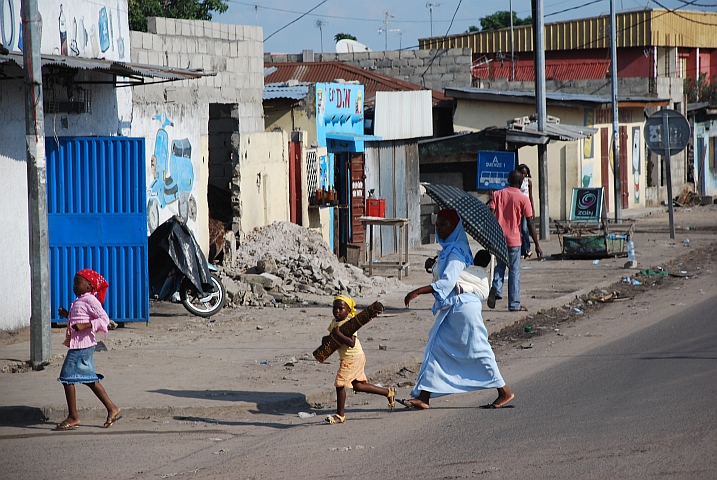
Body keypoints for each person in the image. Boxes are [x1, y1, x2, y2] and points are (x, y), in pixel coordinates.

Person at [402, 209, 514, 410]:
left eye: (444, 225)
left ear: (454, 227)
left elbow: (448, 282)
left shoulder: (455, 251)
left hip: (462, 307)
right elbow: (453, 273)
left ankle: (504, 391)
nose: (439, 228)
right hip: (456, 307)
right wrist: (433, 265)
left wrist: (418, 291)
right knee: (437, 349)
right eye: (437, 224)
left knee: (477, 349)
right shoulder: (453, 248)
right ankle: (424, 397)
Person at [55, 269, 122, 430]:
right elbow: (79, 318)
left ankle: (73, 416)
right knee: (89, 378)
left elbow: (104, 320)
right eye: (74, 283)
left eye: (77, 283)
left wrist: (85, 325)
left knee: (66, 377)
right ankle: (112, 408)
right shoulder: (81, 300)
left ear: (89, 285)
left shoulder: (90, 300)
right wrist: (67, 315)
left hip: (83, 346)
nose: (74, 286)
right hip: (80, 345)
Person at [324, 295, 395, 424]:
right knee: (358, 386)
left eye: (341, 308)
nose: (337, 311)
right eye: (335, 308)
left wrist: (338, 333)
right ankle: (388, 392)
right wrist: (326, 339)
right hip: (353, 357)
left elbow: (351, 342)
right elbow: (331, 336)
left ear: (349, 310)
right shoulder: (334, 322)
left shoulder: (350, 323)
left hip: (352, 358)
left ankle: (340, 415)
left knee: (340, 384)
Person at [488, 170, 543, 312]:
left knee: (500, 266)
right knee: (514, 271)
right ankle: (514, 304)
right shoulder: (523, 199)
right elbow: (530, 222)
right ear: (520, 183)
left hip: (498, 239)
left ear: (508, 180)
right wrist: (536, 244)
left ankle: (497, 289)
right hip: (513, 240)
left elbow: (490, 214)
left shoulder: (497, 194)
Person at [517, 164, 535, 259]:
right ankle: (522, 252)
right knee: (519, 230)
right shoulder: (516, 182)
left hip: (526, 207)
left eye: (525, 173)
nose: (523, 175)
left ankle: (528, 248)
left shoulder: (528, 182)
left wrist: (533, 208)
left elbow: (530, 196)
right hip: (517, 207)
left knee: (525, 229)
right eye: (522, 173)